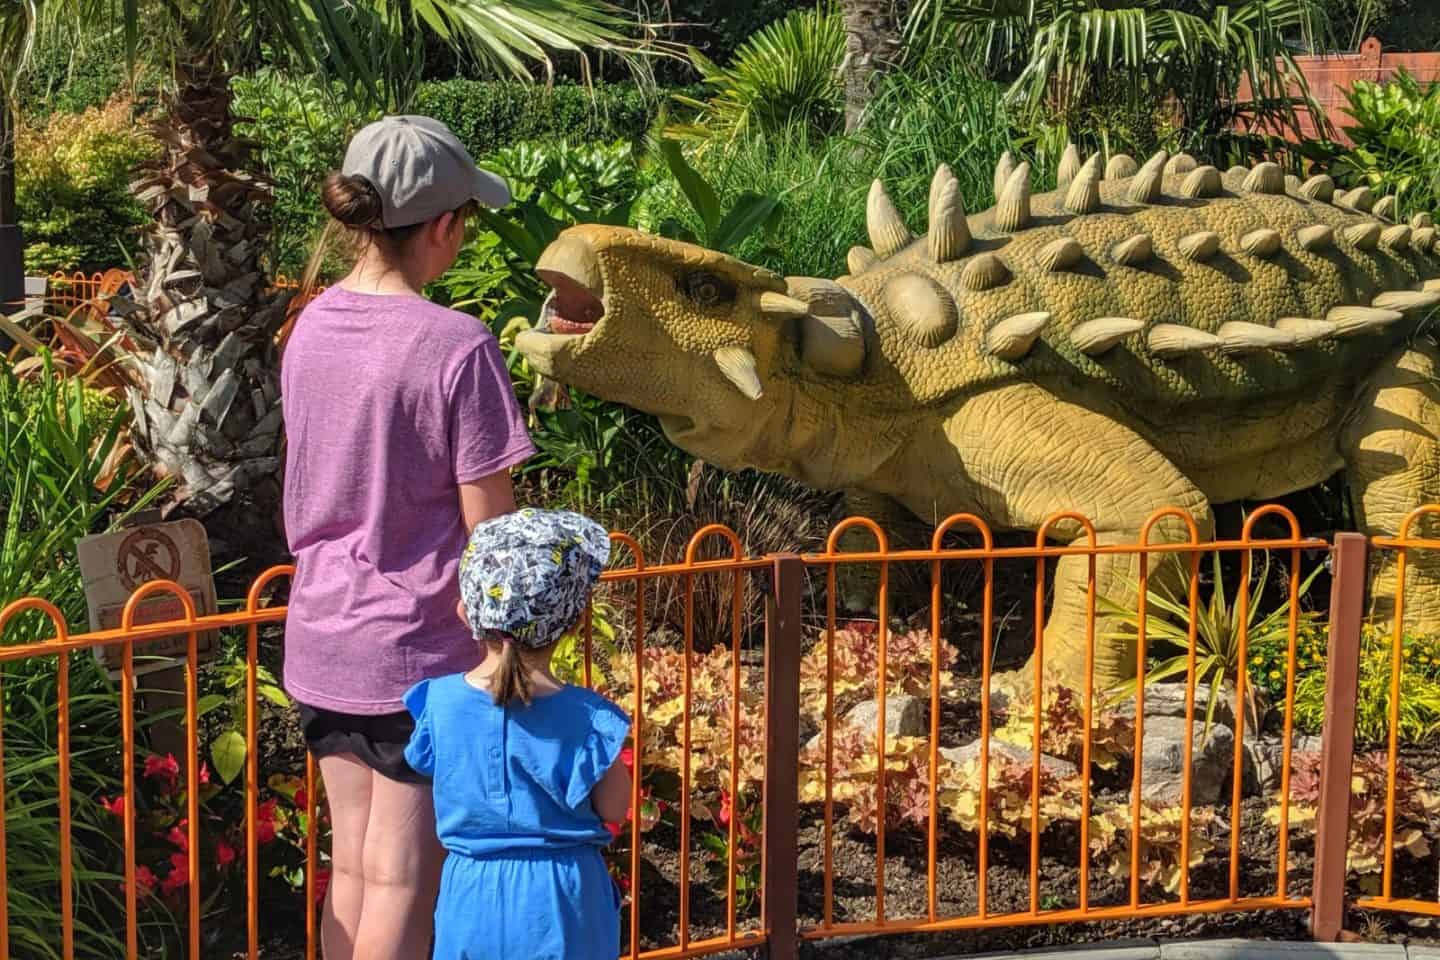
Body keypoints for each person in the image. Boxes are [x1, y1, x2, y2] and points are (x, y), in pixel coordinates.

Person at [279, 115, 534, 960]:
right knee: (400, 882)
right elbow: (491, 535)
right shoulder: (457, 347)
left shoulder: (309, 327)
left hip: (322, 638)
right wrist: (515, 654)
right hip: (416, 652)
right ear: (445, 225)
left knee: (351, 872)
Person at [404, 508, 632, 960]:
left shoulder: (438, 704)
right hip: (561, 898)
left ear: (465, 613)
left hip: (469, 893)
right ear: (574, 623)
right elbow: (614, 805)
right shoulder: (589, 719)